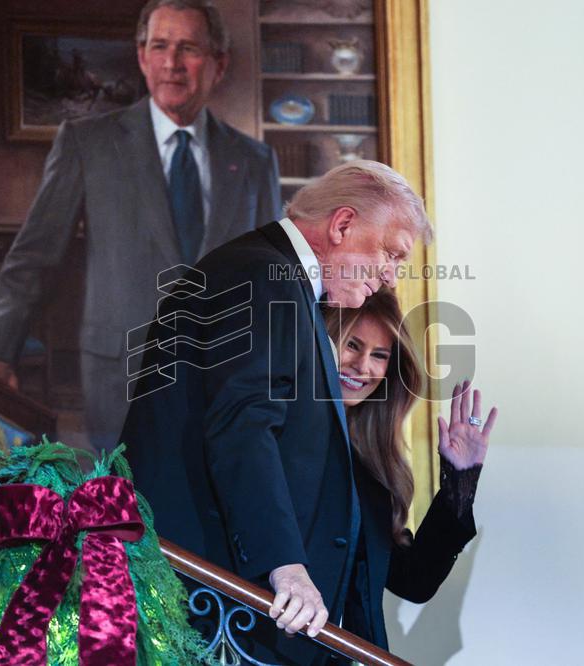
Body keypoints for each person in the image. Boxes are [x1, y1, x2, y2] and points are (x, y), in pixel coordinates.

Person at [120, 160, 432, 663]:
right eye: (391, 254)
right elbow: (242, 425)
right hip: (209, 601)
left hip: (218, 597)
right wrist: (285, 566)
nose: (392, 277)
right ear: (343, 224)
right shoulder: (265, 273)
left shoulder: (273, 276)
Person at [0, 0, 281, 452]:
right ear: (141, 56)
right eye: (160, 46)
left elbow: (273, 278)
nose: (171, 63)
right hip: (122, 377)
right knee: (128, 514)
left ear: (219, 63)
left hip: (228, 378)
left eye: (188, 48)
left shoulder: (254, 161)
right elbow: (33, 259)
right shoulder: (88, 144)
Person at [322, 288, 497, 651]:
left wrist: (459, 480)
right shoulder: (276, 440)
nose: (363, 366)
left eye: (379, 355)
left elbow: (413, 581)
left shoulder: (368, 471)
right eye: (352, 345)